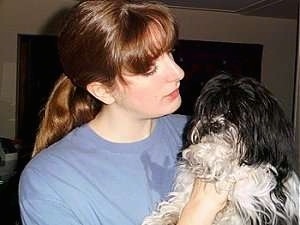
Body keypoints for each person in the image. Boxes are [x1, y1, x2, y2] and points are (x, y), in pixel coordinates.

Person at [19, 1, 227, 224]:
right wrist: (197, 214)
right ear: (103, 91)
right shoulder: (50, 180)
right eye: (148, 67)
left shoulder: (202, 131)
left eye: (170, 52)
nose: (178, 72)